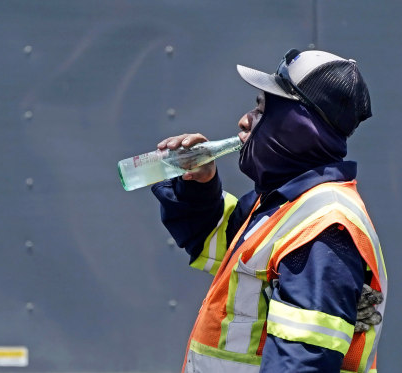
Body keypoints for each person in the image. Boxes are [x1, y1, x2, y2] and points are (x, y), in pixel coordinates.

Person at [151, 49, 387, 373]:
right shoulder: (285, 204)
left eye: (262, 109)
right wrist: (199, 185)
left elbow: (302, 364)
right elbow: (222, 246)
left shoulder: (323, 229)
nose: (244, 120)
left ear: (295, 127)